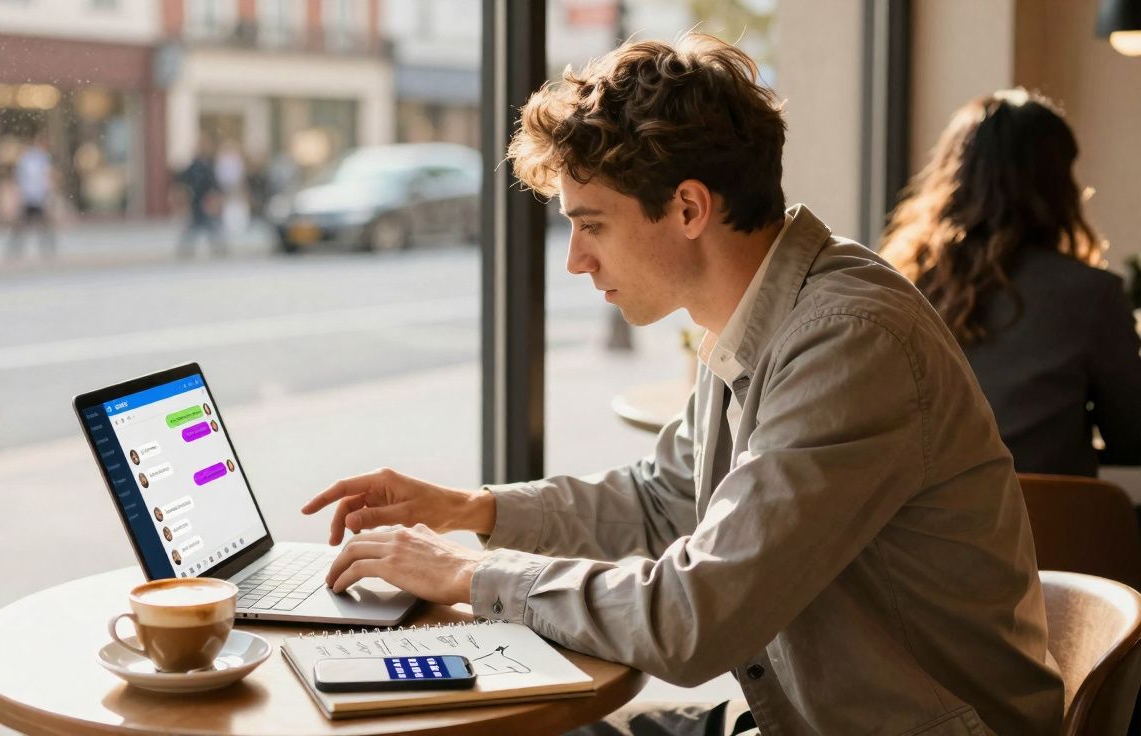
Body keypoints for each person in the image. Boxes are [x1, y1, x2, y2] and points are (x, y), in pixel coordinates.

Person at [302, 35, 1063, 735]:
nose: (575, 260)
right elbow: (659, 501)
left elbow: (695, 618)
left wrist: (469, 574)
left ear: (689, 208)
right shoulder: (763, 314)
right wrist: (473, 509)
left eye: (592, 224)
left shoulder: (849, 342)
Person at [882, 89, 1141, 477]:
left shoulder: (896, 287)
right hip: (1049, 532)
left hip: (918, 529)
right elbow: (1132, 436)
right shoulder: (1091, 295)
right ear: (1058, 186)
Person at [6, 132, 55, 258]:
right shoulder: (33, 159)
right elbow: (26, 177)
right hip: (31, 195)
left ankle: (45, 248)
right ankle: (17, 248)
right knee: (28, 224)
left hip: (34, 195)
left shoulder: (36, 158)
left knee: (37, 224)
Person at [176, 135, 227, 258]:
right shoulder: (194, 166)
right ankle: (187, 248)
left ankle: (218, 247)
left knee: (209, 226)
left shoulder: (209, 164)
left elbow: (214, 184)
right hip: (196, 200)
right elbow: (184, 183)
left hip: (205, 201)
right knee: (196, 226)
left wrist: (215, 198)